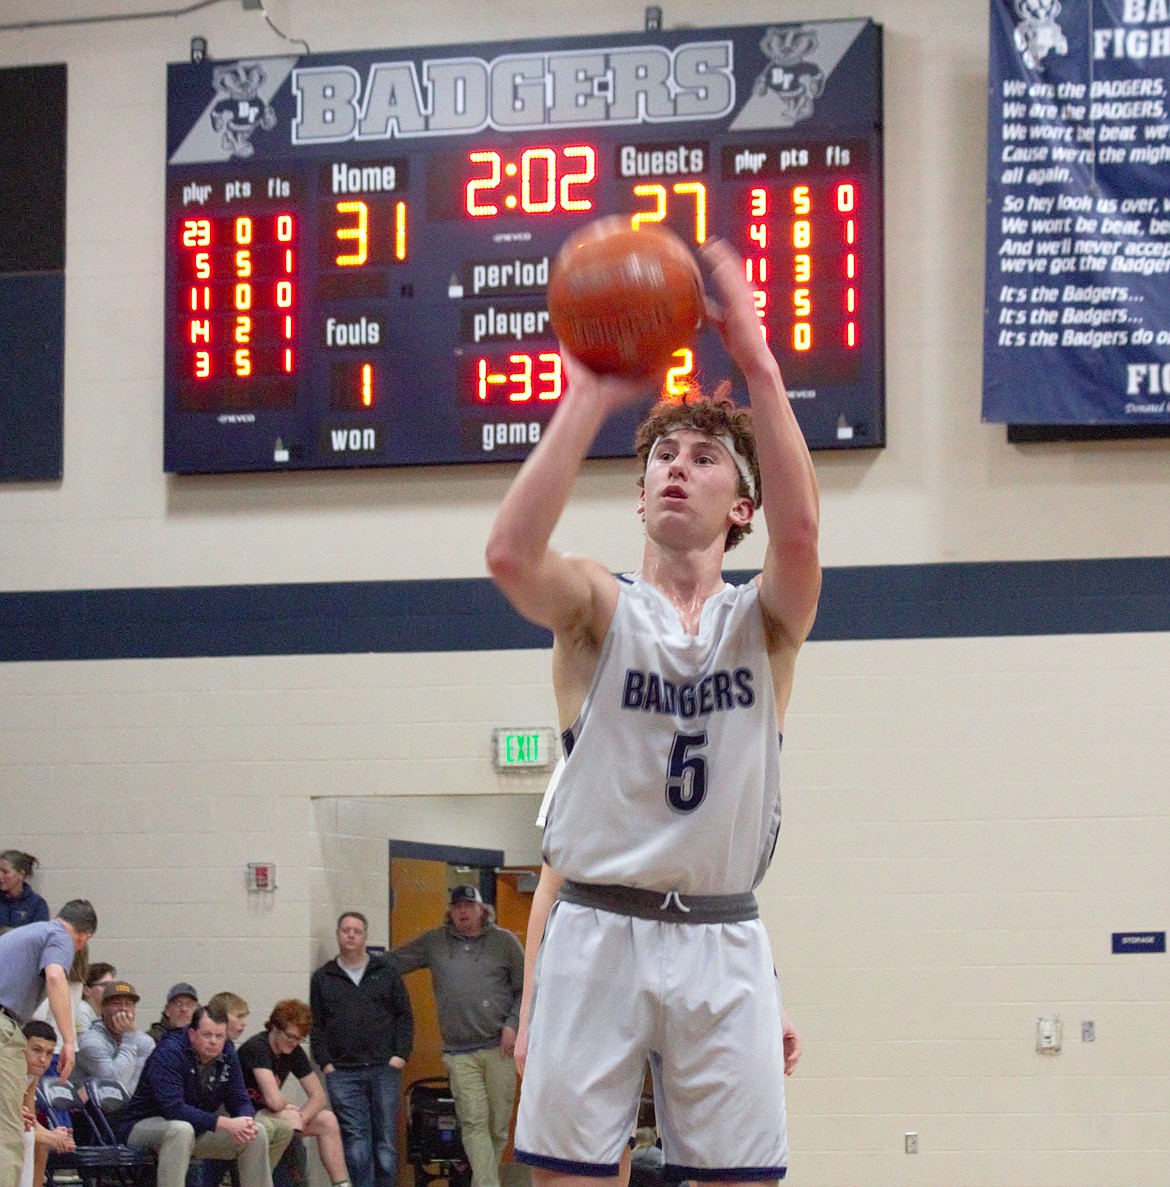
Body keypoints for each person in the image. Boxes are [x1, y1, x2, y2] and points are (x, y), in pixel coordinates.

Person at [485, 236, 821, 1185]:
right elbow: (511, 556)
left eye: (706, 457)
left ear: (741, 507)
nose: (679, 466)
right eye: (664, 455)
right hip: (597, 925)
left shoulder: (766, 622)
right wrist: (587, 395)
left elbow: (804, 531)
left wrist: (756, 361)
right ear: (639, 495)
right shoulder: (599, 606)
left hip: (722, 930)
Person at [392, 885, 523, 1187]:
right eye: (457, 906)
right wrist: (357, 963)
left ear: (482, 910)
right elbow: (396, 961)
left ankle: (482, 1181)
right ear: (450, 911)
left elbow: (527, 987)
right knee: (474, 1123)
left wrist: (513, 1024)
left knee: (498, 1127)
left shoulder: (504, 943)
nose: (462, 911)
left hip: (499, 1047)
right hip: (459, 1052)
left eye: (469, 905)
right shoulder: (435, 942)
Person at [116, 1003, 272, 1187]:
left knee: (256, 1133)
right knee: (180, 1130)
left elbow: (239, 1098)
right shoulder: (169, 1051)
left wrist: (246, 1121)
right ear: (192, 1034)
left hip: (195, 1129)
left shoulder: (227, 1051)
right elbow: (174, 1109)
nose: (214, 1041)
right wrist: (225, 1123)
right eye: (207, 1035)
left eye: (219, 1036)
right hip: (144, 1126)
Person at [309, 912, 413, 1187]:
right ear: (338, 935)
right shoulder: (323, 978)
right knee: (356, 1143)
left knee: (386, 1142)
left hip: (384, 1069)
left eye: (356, 931)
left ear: (365, 936)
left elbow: (404, 1016)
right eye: (345, 930)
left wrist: (399, 1056)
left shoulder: (386, 972)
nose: (351, 935)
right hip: (343, 1072)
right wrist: (326, 1063)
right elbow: (317, 1025)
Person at [0, 899, 98, 1187]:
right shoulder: (60, 936)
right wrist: (69, 1040)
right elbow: (55, 977)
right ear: (84, 938)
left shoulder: (26, 934)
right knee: (7, 1131)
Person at [236, 1000, 349, 1187]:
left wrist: (301, 1117)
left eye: (299, 1039)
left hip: (273, 1115)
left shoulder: (293, 1051)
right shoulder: (258, 1047)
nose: (294, 1043)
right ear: (274, 1027)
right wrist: (289, 1109)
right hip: (248, 1114)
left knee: (327, 1120)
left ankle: (341, 1184)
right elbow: (273, 1100)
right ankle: (298, 1182)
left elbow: (319, 1096)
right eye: (290, 1036)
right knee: (288, 1117)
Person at [203, 992, 294, 1173]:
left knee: (284, 1129)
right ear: (221, 1017)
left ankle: (257, 1179)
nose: (244, 1023)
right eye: (239, 1017)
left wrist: (247, 1119)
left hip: (231, 1110)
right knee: (263, 1128)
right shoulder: (207, 1045)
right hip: (211, 1113)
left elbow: (238, 1091)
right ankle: (241, 1176)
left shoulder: (228, 1048)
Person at [18, 1020, 74, 1187]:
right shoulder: (9, 1071)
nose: (43, 1059)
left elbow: (30, 1122)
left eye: (49, 1053)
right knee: (34, 1139)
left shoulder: (32, 1077)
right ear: (21, 1048)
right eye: (36, 1050)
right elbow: (10, 1122)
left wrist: (56, 1136)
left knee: (40, 1143)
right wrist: (52, 1138)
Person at [76, 980, 155, 1093]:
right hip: (94, 1107)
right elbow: (114, 1084)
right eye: (116, 1003)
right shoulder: (90, 1041)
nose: (123, 1009)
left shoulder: (145, 1042)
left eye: (128, 1004)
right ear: (103, 1008)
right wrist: (129, 1038)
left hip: (132, 1107)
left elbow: (146, 1083)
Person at [0, 854, 49, 932]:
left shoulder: (37, 904)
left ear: (21, 875)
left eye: (5, 872)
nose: (0, 876)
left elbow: (40, 937)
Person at [77, 963, 117, 1036]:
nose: (111, 989)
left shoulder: (104, 1013)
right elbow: (85, 1045)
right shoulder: (81, 1009)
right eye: (105, 985)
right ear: (86, 990)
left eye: (112, 985)